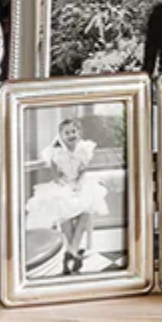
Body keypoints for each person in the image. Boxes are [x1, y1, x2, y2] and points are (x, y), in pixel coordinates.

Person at [24, 111, 109, 276]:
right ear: (61, 136)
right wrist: (62, 183)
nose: (71, 135)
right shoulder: (55, 153)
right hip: (63, 184)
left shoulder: (84, 149)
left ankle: (72, 249)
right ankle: (72, 253)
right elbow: (55, 174)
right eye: (67, 133)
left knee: (88, 207)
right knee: (62, 205)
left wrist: (78, 183)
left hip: (80, 182)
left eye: (73, 132)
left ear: (78, 133)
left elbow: (84, 170)